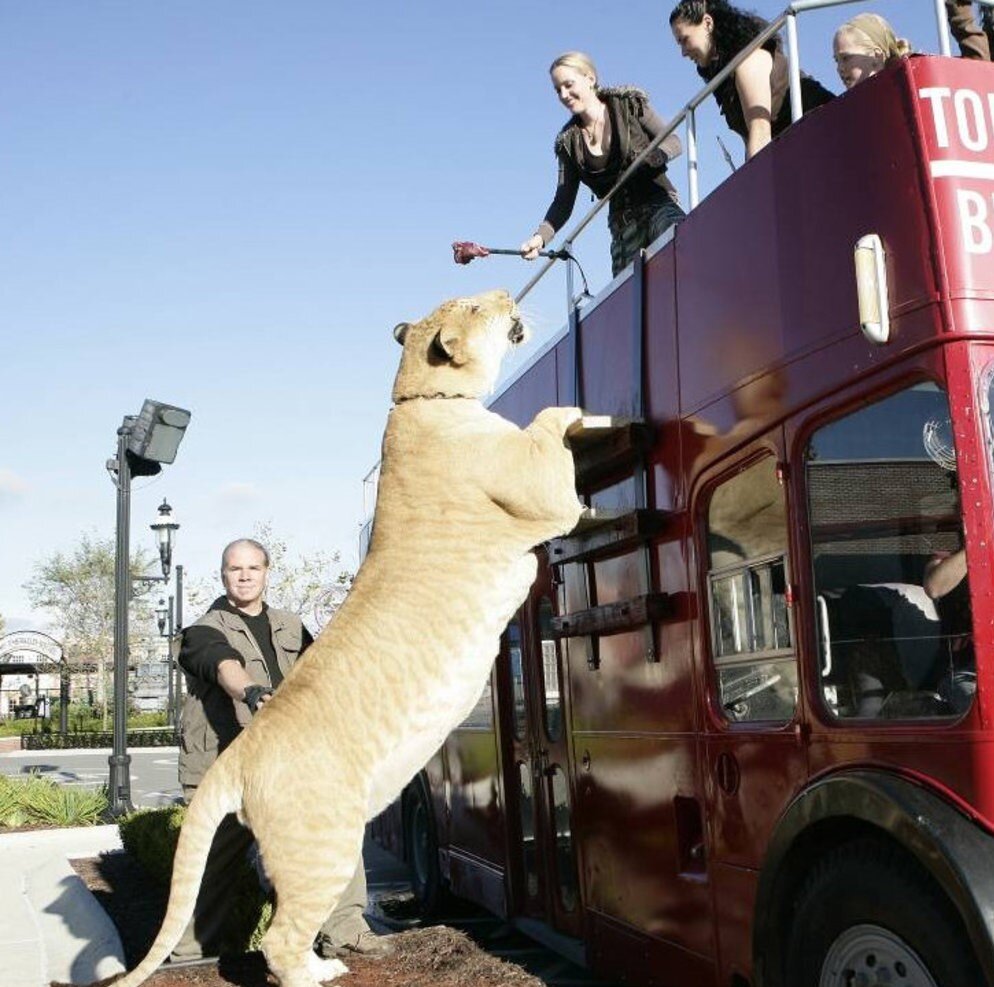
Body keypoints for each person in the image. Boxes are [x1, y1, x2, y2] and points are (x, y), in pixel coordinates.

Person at [171, 538, 391, 963]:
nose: (245, 575)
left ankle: (343, 930)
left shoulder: (291, 625)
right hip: (224, 767)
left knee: (335, 833)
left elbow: (319, 677)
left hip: (285, 763)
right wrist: (251, 691)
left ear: (267, 572)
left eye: (254, 568)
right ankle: (188, 957)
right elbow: (222, 664)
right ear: (223, 575)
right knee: (210, 864)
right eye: (236, 569)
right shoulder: (202, 630)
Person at [519, 51, 685, 277]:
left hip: (658, 203)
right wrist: (540, 238)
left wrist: (658, 156)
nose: (564, 95)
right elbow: (563, 201)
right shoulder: (568, 142)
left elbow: (673, 140)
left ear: (590, 79)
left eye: (568, 85)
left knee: (683, 243)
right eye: (558, 90)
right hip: (622, 227)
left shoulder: (629, 104)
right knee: (627, 297)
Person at [669, 0, 834, 160]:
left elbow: (760, 130)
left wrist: (757, 183)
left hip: (827, 135)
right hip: (797, 151)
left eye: (685, 40)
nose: (683, 52)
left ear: (707, 23)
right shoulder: (725, 80)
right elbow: (751, 139)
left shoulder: (749, 60)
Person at [833, 6, 990, 91]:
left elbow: (977, 69)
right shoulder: (842, 113)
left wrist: (958, 9)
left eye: (846, 58)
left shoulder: (917, 77)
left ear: (877, 55)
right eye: (836, 60)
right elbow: (810, 91)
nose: (839, 68)